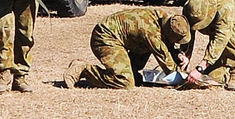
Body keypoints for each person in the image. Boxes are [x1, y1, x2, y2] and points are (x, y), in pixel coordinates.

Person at [63, 9, 191, 89]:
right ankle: (84, 69)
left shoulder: (163, 17)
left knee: (135, 76)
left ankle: (130, 72)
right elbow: (168, 64)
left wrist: (177, 54)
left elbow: (165, 44)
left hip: (123, 38)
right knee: (125, 81)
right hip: (106, 37)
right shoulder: (152, 33)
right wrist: (186, 79)